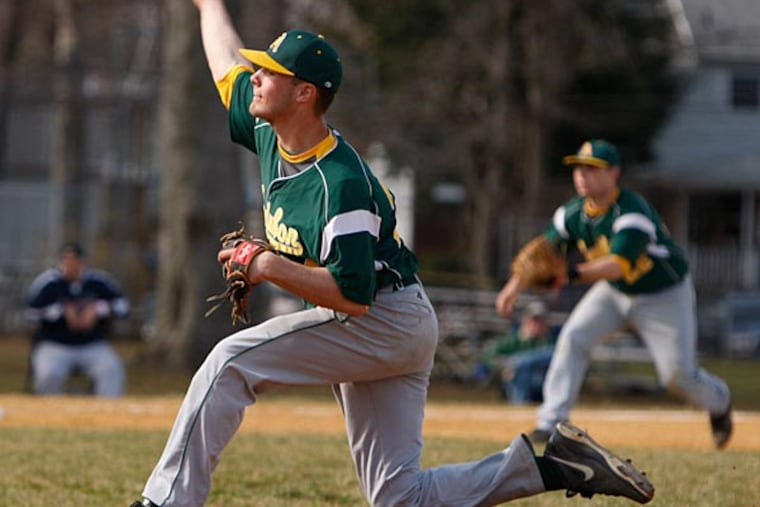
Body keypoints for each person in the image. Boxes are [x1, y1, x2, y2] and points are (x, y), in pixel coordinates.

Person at [130, 4, 654, 505]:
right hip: (395, 320)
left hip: (380, 319)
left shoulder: (340, 184)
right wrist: (208, 6)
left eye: (268, 72)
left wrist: (268, 265)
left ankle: (163, 501)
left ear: (304, 94)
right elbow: (226, 64)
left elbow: (354, 297)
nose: (256, 77)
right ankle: (554, 467)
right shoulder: (269, 129)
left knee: (228, 364)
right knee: (401, 497)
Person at [495, 139, 733, 449]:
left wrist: (571, 275)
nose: (583, 174)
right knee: (573, 338)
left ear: (614, 173)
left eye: (592, 169)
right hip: (615, 293)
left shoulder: (632, 211)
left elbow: (618, 265)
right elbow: (542, 250)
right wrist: (512, 288)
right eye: (579, 168)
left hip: (662, 295)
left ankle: (719, 402)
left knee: (677, 377)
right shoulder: (572, 214)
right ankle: (550, 421)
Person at [25, 242, 129, 397]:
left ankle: (107, 412)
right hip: (55, 345)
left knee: (111, 368)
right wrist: (61, 311)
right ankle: (51, 413)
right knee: (49, 374)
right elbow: (31, 312)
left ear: (83, 262)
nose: (70, 265)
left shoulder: (99, 281)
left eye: (74, 260)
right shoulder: (49, 282)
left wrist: (97, 309)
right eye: (66, 260)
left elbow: (123, 307)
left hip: (92, 345)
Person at [477, 300, 557, 404]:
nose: (537, 325)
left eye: (541, 321)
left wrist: (517, 362)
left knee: (528, 361)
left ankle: (516, 362)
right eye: (534, 320)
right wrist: (503, 367)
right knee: (519, 370)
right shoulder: (511, 341)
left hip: (545, 383)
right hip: (517, 385)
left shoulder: (552, 342)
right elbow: (488, 357)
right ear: (525, 320)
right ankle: (521, 408)